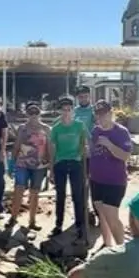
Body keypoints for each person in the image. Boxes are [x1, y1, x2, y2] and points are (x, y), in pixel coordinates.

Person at [88, 100, 133, 248]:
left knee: (111, 216)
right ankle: (107, 246)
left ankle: (121, 248)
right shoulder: (95, 131)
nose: (101, 118)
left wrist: (109, 144)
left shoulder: (121, 132)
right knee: (102, 215)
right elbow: (93, 152)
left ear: (111, 113)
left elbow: (125, 156)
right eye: (99, 115)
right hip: (96, 179)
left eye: (104, 114)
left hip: (115, 181)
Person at [49, 96, 89, 239]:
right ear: (60, 111)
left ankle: (80, 225)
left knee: (77, 196)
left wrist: (83, 155)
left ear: (72, 110)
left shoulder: (79, 126)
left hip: (76, 163)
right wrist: (51, 170)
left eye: (69, 109)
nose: (66, 112)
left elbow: (83, 144)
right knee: (60, 196)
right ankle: (58, 224)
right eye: (64, 110)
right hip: (60, 163)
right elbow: (53, 149)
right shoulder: (56, 128)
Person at [9, 102, 51, 230]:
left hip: (39, 166)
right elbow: (16, 145)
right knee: (19, 190)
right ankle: (13, 218)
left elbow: (50, 148)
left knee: (35, 193)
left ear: (40, 113)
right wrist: (11, 164)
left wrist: (50, 166)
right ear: (27, 114)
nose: (33, 115)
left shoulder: (47, 129)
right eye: (30, 112)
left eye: (36, 112)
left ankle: (32, 221)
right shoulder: (22, 128)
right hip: (22, 163)